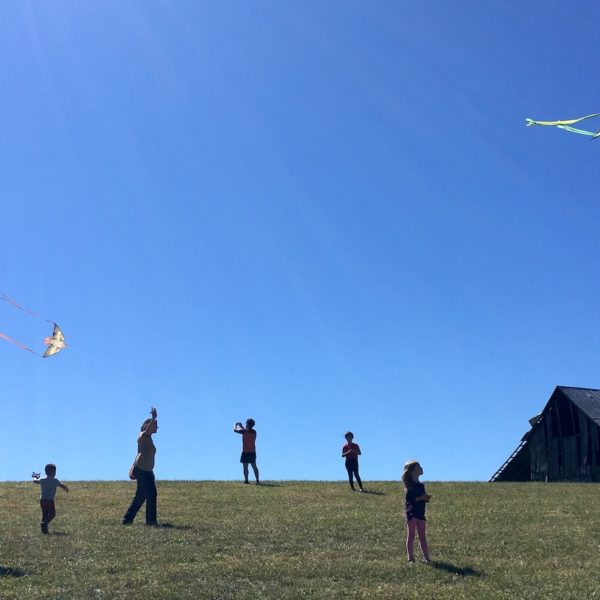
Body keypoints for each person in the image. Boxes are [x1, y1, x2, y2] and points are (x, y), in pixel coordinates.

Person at [123, 407, 159, 526]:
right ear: (147, 426)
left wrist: (151, 472)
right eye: (155, 425)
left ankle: (127, 519)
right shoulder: (142, 435)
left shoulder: (149, 439)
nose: (157, 427)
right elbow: (145, 434)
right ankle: (151, 522)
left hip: (146, 471)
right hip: (142, 470)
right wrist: (153, 418)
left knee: (141, 496)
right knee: (152, 494)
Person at [403, 460, 431, 563]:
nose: (421, 468)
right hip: (412, 513)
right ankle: (410, 558)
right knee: (411, 536)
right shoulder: (409, 485)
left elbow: (421, 499)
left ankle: (426, 557)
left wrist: (426, 498)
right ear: (413, 471)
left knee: (422, 537)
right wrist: (422, 497)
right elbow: (410, 499)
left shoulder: (421, 485)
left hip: (420, 514)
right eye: (419, 467)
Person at [32, 464, 69, 534]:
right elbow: (61, 485)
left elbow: (35, 481)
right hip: (50, 500)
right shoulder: (55, 481)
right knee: (52, 514)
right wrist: (66, 489)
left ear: (46, 472)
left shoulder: (42, 480)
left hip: (42, 500)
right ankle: (45, 523)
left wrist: (35, 476)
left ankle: (44, 530)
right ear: (54, 472)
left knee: (44, 514)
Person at [233, 418, 260, 484]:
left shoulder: (244, 431)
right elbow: (246, 431)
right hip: (252, 452)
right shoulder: (254, 432)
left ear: (247, 423)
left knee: (245, 467)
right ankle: (257, 481)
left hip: (245, 452)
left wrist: (235, 424)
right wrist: (241, 426)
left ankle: (246, 480)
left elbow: (235, 430)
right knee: (254, 467)